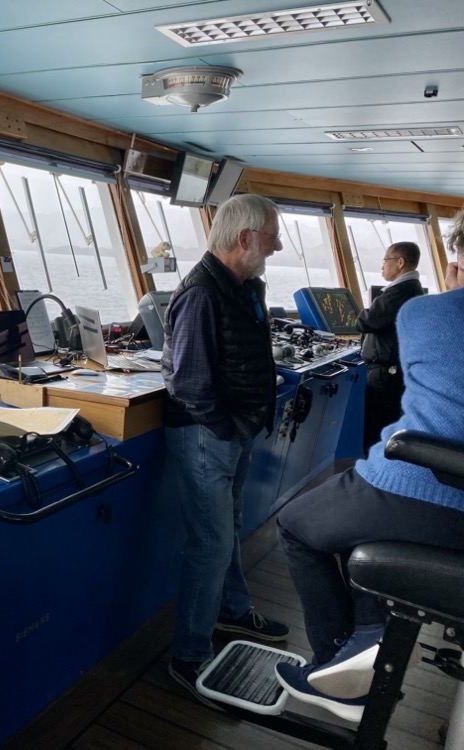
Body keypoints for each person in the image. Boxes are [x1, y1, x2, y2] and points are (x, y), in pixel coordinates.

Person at [275, 211, 464, 723]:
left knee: (295, 525)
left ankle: (336, 666)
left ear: (454, 263)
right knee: (345, 521)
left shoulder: (425, 314)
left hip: (425, 484)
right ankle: (364, 636)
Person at [162, 193, 290, 703]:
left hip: (232, 432)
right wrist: (225, 428)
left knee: (228, 529)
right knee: (210, 543)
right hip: (206, 435)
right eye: (271, 236)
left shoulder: (243, 286)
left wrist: (242, 425)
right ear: (244, 239)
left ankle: (233, 612)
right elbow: (188, 384)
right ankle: (188, 655)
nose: (277, 246)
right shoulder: (201, 293)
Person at [356, 241, 425, 453]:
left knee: (376, 430)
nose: (382, 266)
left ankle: (373, 478)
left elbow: (365, 321)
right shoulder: (411, 289)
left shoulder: (399, 292)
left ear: (400, 262)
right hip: (394, 373)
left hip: (386, 375)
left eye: (386, 260)